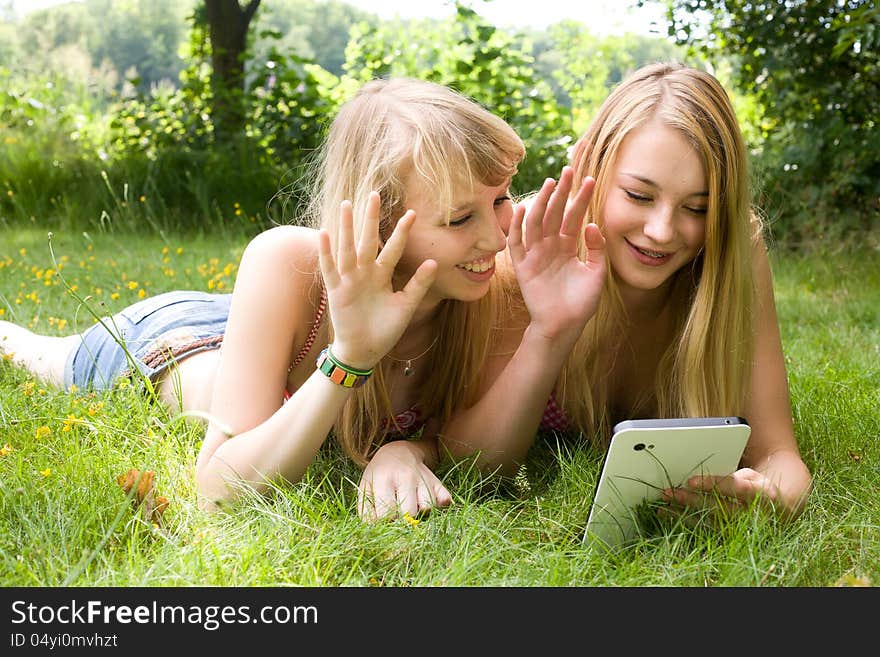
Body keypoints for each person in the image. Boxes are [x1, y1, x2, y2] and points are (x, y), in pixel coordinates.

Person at [0, 77, 602, 521]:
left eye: (500, 199)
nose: (497, 234)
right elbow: (217, 492)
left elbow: (485, 465)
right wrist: (352, 357)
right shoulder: (285, 260)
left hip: (261, 336)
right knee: (38, 356)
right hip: (178, 341)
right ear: (380, 221)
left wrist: (406, 449)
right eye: (459, 218)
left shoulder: (493, 279)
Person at [439, 62, 813, 521]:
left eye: (697, 207)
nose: (661, 231)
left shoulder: (736, 255)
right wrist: (550, 333)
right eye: (638, 196)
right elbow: (469, 464)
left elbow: (778, 453)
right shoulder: (534, 246)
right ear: (589, 168)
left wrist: (773, 500)